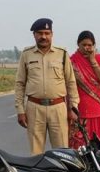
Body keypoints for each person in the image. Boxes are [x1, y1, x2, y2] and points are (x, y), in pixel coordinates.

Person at [15, 18, 79, 154]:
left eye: (46, 33)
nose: (43, 37)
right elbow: (20, 83)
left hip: (58, 108)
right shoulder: (26, 54)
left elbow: (71, 82)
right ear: (34, 35)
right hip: (34, 108)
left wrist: (73, 108)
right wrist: (20, 110)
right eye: (40, 33)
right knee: (35, 152)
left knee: (62, 151)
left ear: (52, 34)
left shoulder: (62, 54)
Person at [70, 30, 100, 172]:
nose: (87, 48)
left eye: (90, 45)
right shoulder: (71, 61)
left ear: (94, 46)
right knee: (80, 149)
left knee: (98, 149)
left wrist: (92, 61)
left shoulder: (98, 59)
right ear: (78, 45)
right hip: (81, 112)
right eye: (84, 45)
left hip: (98, 110)